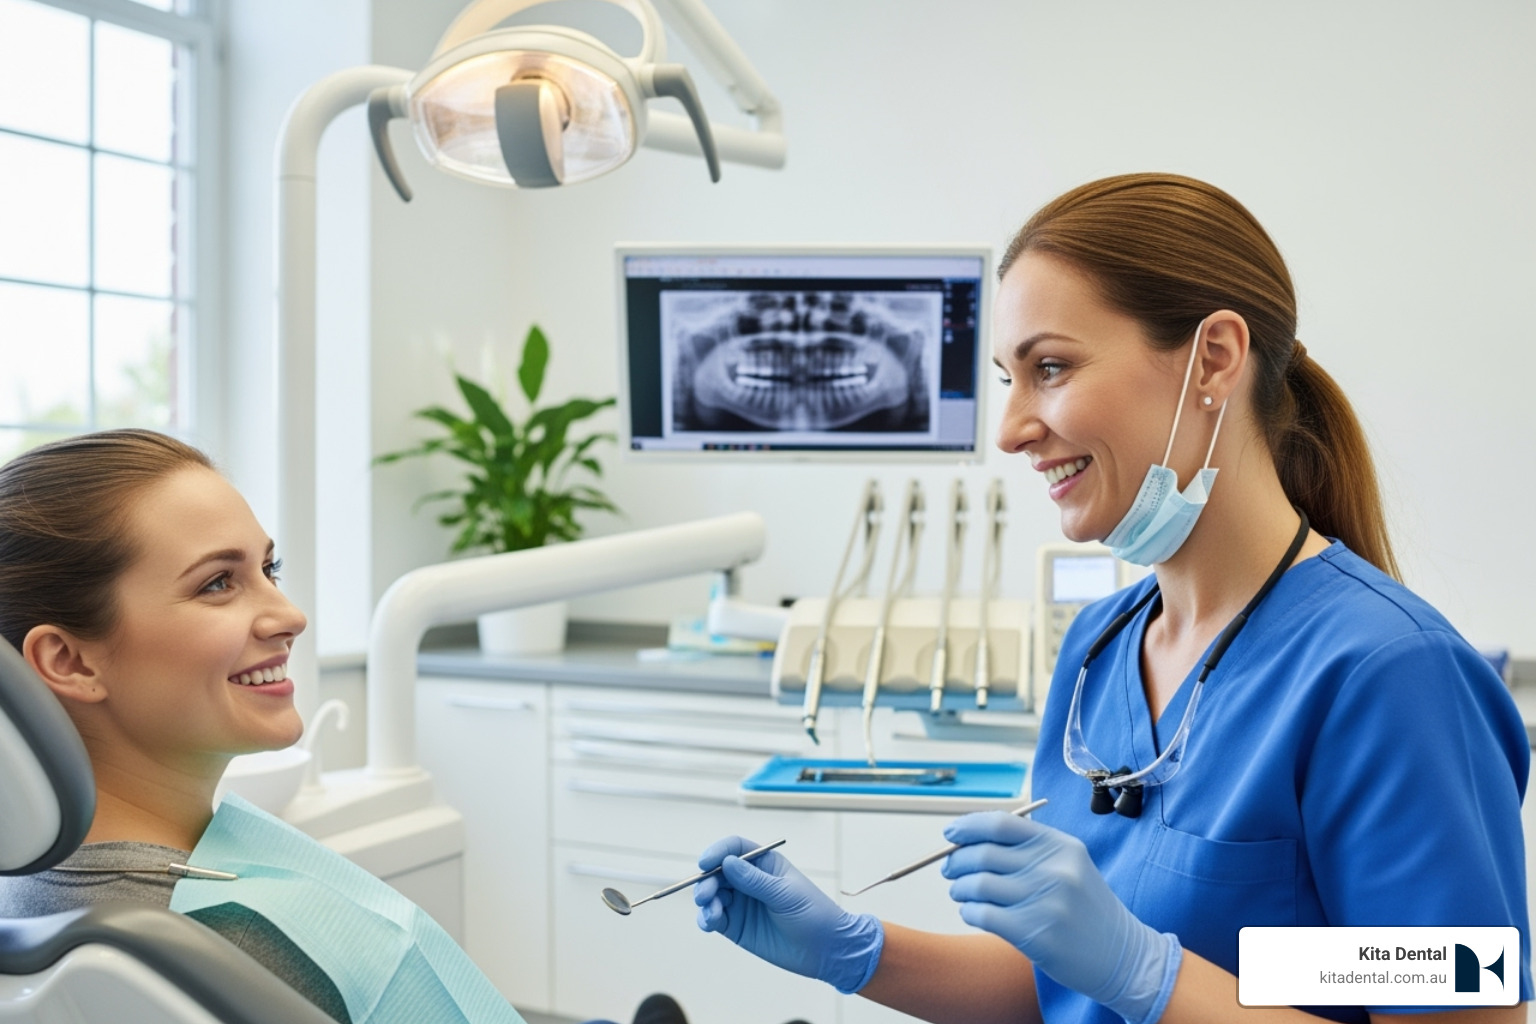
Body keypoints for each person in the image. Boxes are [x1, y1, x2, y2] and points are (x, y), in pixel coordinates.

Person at [690, 173, 1532, 1024]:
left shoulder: (1386, 677)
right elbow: (1055, 982)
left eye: (1049, 368)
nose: (1012, 428)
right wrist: (856, 951)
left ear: (1214, 359)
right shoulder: (1098, 652)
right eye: (1008, 380)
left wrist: (1150, 974)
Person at [0, 428, 695, 1024]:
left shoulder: (41, 895)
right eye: (218, 583)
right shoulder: (219, 941)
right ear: (68, 661)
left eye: (269, 568)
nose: (289, 614)